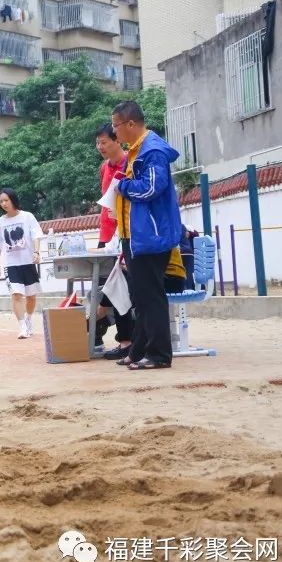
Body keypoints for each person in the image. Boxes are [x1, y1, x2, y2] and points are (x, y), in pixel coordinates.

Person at [112, 100, 183, 370]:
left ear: (131, 124)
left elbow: (151, 188)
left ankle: (159, 355)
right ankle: (139, 349)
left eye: (116, 125)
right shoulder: (136, 150)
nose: (114, 131)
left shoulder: (152, 150)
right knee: (141, 296)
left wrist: (123, 186)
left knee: (151, 296)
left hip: (152, 236)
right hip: (136, 235)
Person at [94, 123, 134, 360]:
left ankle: (126, 340)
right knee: (104, 290)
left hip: (123, 236)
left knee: (120, 290)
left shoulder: (130, 162)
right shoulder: (104, 168)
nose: (100, 147)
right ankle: (97, 334)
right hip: (105, 237)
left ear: (117, 140)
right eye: (97, 143)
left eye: (104, 142)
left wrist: (120, 214)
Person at [0, 188, 44, 339]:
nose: (3, 204)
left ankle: (28, 320)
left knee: (31, 297)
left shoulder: (27, 217)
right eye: (1, 201)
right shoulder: (0, 222)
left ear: (13, 200)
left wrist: (36, 252)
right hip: (11, 264)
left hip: (27, 261)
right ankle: (22, 326)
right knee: (16, 295)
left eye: (6, 200)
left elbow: (36, 235)